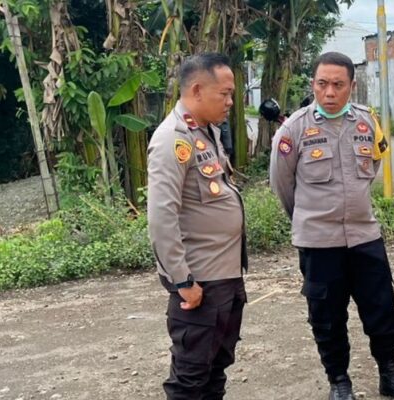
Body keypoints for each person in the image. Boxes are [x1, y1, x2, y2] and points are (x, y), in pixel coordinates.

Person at [268, 51, 394, 400]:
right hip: (319, 242)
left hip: (365, 236)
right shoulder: (294, 129)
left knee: (383, 309)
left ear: (352, 86)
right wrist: (307, 217)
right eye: (322, 84)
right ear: (313, 85)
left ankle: (389, 375)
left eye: (337, 84)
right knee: (327, 317)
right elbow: (282, 186)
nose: (329, 92)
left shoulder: (367, 122)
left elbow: (374, 165)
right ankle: (339, 382)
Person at [147, 52, 247, 400]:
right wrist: (182, 281)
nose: (230, 102)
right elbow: (161, 218)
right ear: (197, 89)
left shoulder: (206, 133)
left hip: (224, 277)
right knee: (189, 379)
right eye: (225, 94)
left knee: (215, 370)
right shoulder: (172, 139)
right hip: (199, 283)